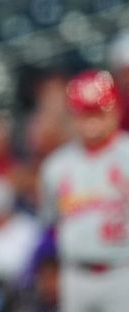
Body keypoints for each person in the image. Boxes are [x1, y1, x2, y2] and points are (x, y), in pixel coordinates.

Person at [39, 69, 129, 312]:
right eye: (84, 113)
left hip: (123, 271)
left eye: (98, 111)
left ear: (115, 110)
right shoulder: (55, 166)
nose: (91, 120)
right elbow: (50, 222)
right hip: (76, 274)